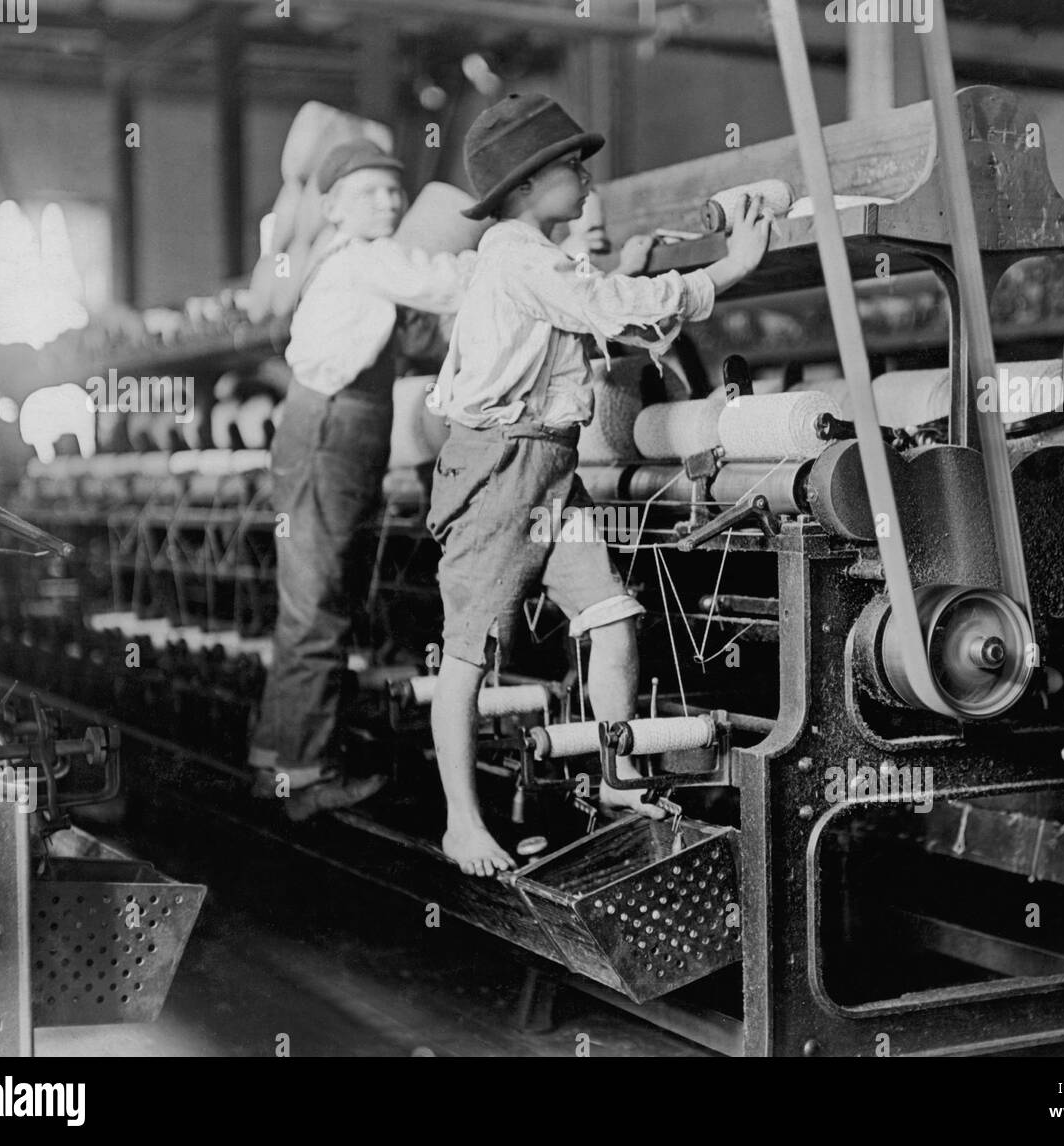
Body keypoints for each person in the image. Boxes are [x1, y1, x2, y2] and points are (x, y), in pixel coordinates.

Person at [425, 93, 771, 875]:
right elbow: (611, 308)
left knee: (612, 616)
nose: (586, 179)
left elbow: (606, 304)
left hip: (549, 467)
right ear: (521, 188)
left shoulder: (543, 257)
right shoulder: (517, 254)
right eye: (570, 167)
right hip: (498, 470)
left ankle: (617, 775)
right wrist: (727, 270)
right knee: (469, 655)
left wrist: (652, 267)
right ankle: (460, 823)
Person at [249, 139, 474, 822]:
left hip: (331, 432)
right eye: (369, 191)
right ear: (333, 207)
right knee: (317, 608)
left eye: (392, 189)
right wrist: (521, 253)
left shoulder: (349, 263)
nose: (388, 200)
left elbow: (414, 336)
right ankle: (305, 776)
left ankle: (279, 762)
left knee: (315, 605)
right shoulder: (369, 258)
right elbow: (449, 282)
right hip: (332, 435)